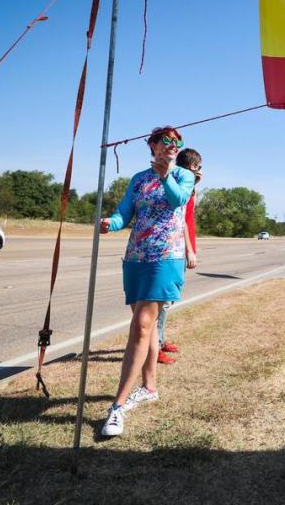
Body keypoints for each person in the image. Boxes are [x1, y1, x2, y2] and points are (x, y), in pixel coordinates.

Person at [98, 126, 195, 437]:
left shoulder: (183, 175)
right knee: (148, 330)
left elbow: (178, 200)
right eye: (166, 140)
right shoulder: (139, 179)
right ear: (153, 145)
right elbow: (124, 213)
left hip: (166, 258)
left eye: (177, 142)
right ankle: (149, 387)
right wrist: (109, 223)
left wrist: (165, 174)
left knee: (141, 324)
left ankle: (117, 407)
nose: (172, 145)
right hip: (136, 258)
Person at [155, 147, 203, 364]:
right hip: (177, 248)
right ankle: (154, 346)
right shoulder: (177, 187)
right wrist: (189, 250)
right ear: (191, 166)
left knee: (168, 300)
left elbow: (191, 213)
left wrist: (195, 185)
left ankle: (160, 339)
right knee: (163, 301)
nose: (200, 171)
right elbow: (181, 220)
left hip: (183, 247)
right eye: (198, 167)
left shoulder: (188, 187)